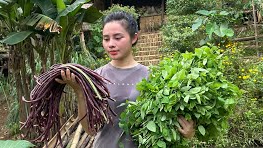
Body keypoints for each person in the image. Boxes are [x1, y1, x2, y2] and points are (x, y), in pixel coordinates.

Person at [55, 11, 195, 147]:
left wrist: (188, 133)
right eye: (106, 39)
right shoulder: (95, 77)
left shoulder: (152, 76)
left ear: (134, 38)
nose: (110, 44)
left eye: (117, 37)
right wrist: (79, 91)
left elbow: (167, 122)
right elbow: (90, 129)